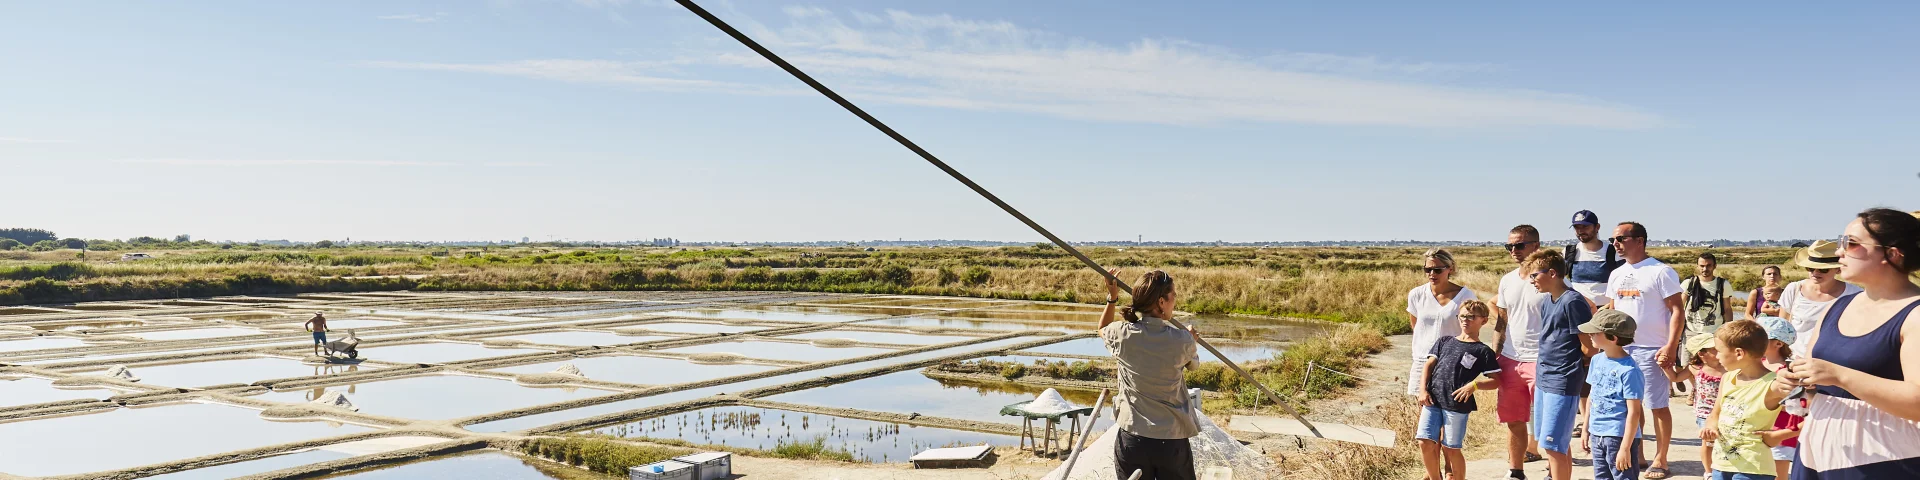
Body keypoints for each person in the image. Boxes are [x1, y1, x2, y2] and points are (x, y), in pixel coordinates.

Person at [1769, 208, 1920, 479]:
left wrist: (1839, 375)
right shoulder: (1837, 307)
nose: (1840, 252)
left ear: (1892, 254)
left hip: (1884, 456)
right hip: (1817, 448)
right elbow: (1814, 377)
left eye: (1851, 244)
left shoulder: (1915, 315)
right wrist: (1791, 381)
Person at [1099, 269, 1201, 480]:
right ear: (1161, 303)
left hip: (1133, 439)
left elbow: (1103, 327)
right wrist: (1191, 340)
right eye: (1173, 297)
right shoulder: (1182, 340)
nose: (1175, 302)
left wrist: (1112, 298)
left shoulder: (1123, 334)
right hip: (1171, 441)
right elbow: (1193, 366)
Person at [1603, 221, 1684, 479]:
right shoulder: (1616, 273)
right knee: (1630, 405)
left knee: (1657, 405)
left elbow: (1677, 311)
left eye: (1621, 238)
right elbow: (1613, 311)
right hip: (1623, 349)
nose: (1615, 243)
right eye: (1613, 239)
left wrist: (1670, 345)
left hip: (1652, 348)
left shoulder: (1661, 271)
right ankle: (1637, 453)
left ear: (1639, 240)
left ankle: (1661, 459)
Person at [1524, 250, 1595, 480]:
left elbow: (1588, 348)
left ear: (1552, 273)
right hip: (1545, 377)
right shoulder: (1547, 300)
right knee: (1553, 442)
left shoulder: (1573, 301)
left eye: (1535, 275)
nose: (1532, 280)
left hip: (1562, 380)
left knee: (1554, 444)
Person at [1416, 300, 1504, 480]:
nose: (1466, 320)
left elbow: (1496, 381)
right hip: (1432, 400)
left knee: (1451, 448)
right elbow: (1428, 366)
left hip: (1456, 405)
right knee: (1424, 441)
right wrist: (1422, 390)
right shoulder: (1444, 341)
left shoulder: (1483, 351)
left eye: (1471, 317)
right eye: (1462, 316)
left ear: (1484, 321)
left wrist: (1475, 385)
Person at [1491, 226, 1548, 478]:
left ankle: (1554, 470)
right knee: (1514, 420)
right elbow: (1501, 321)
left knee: (1549, 422)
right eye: (1509, 246)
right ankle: (1516, 471)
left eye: (1520, 245)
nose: (1514, 251)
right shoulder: (1507, 280)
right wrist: (1495, 355)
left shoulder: (1552, 278)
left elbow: (1581, 308)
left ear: (1536, 246)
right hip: (1511, 359)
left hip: (1543, 359)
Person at [1703, 320, 1783, 480]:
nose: (1717, 356)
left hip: (1754, 469)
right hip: (1720, 464)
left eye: (1719, 350)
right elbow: (1715, 415)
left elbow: (1814, 415)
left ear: (1739, 353)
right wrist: (1710, 428)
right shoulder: (1727, 378)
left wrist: (1780, 435)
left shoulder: (1773, 385)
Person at [1581, 309, 1646, 480]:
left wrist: (1625, 447)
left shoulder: (1629, 371)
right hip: (1597, 433)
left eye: (1595, 332)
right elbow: (1592, 396)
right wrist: (1586, 428)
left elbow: (1634, 412)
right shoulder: (1596, 360)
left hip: (1618, 436)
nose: (1590, 335)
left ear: (1613, 338)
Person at [1408, 248, 1478, 396]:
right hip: (1422, 360)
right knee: (1423, 413)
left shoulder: (1465, 296)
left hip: (1452, 362)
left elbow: (1472, 331)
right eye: (1428, 269)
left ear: (1450, 269)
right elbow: (1415, 326)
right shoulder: (1416, 294)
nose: (1432, 274)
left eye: (1437, 270)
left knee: (1451, 411)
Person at [1778, 240, 1863, 355]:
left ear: (1838, 269)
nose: (1815, 273)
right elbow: (1781, 328)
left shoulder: (1855, 294)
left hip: (1834, 363)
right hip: (1795, 360)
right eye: (1810, 268)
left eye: (1823, 269)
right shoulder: (1794, 289)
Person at [1754, 316, 1800, 479]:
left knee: (1778, 474)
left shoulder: (1789, 370)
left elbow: (1796, 402)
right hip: (1756, 425)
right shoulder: (1756, 363)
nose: (1754, 341)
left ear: (1779, 343)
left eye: (1761, 338)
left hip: (1779, 429)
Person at [1682, 333, 1725, 474]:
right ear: (1701, 353)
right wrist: (1666, 367)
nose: (1719, 351)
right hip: (1705, 414)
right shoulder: (1695, 368)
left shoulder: (1726, 367)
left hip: (1724, 412)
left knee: (1724, 442)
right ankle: (1708, 472)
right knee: (1708, 443)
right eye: (1715, 349)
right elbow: (1676, 377)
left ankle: (1723, 468)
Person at [1566, 209, 1623, 308]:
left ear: (1597, 227)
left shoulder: (1613, 252)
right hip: (1578, 310)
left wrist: (1611, 308)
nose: (1580, 231)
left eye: (1585, 227)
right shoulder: (1569, 252)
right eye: (1576, 227)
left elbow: (1622, 283)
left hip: (1605, 312)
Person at [1682, 253, 1735, 336]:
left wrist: (1729, 331)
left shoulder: (1723, 284)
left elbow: (1727, 309)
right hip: (1690, 331)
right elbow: (1679, 307)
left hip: (1714, 332)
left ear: (1715, 266)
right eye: (1702, 266)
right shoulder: (1688, 283)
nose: (1705, 269)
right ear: (1697, 266)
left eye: (1708, 265)